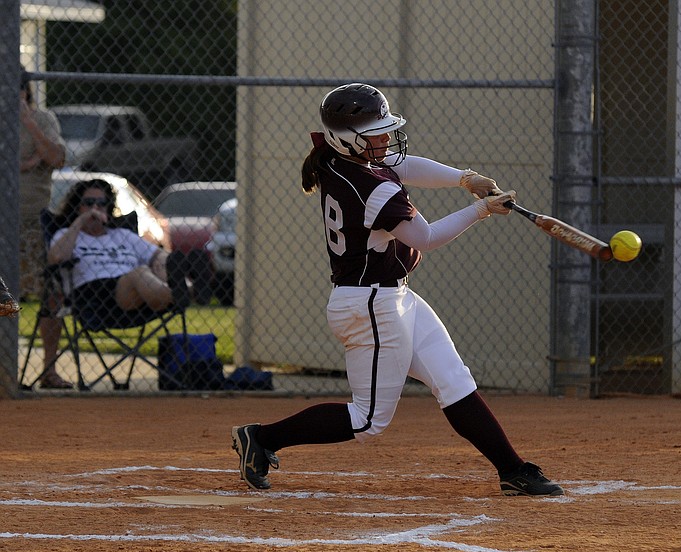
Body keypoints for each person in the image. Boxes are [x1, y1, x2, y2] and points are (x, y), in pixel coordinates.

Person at [230, 83, 563, 497]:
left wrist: (465, 179)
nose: (385, 140)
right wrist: (481, 210)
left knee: (453, 380)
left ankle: (513, 470)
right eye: (376, 133)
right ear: (348, 138)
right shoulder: (371, 188)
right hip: (370, 304)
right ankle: (261, 438)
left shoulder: (338, 157)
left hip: (392, 295)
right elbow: (425, 237)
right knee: (368, 421)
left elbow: (404, 165)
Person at [48, 179, 197, 326]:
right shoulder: (66, 234)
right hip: (94, 299)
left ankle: (178, 292)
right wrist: (80, 221)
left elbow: (160, 254)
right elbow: (57, 257)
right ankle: (189, 291)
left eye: (101, 204)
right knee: (141, 273)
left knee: (162, 264)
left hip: (137, 296)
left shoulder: (122, 235)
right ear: (77, 207)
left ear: (108, 207)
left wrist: (160, 261)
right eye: (88, 203)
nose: (95, 208)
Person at [19, 66, 69, 388]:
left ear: (25, 91)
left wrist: (27, 122)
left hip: (32, 222)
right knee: (4, 300)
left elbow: (58, 157)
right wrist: (26, 162)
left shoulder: (43, 119)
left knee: (52, 294)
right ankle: (5, 372)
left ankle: (48, 371)